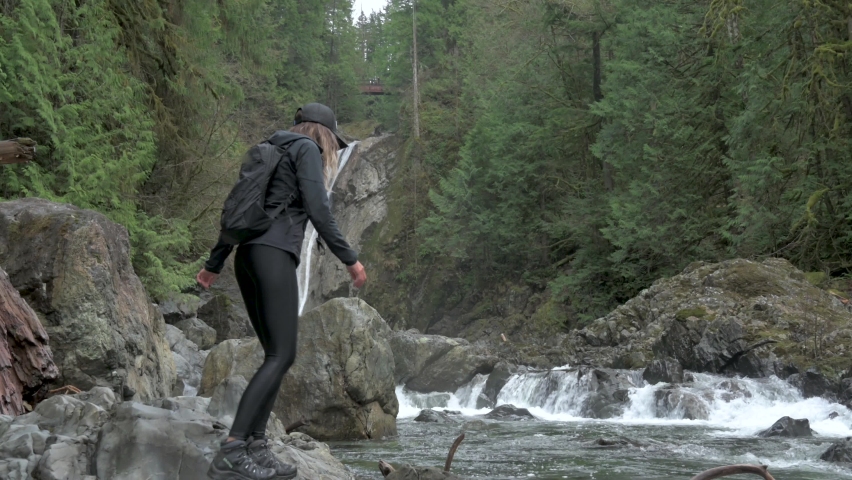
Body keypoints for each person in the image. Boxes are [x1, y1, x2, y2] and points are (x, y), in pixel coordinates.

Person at [197, 103, 367, 480]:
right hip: (274, 255)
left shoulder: (270, 151)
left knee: (276, 355)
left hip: (248, 258)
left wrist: (214, 263)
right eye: (333, 144)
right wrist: (350, 259)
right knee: (281, 355)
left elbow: (235, 210)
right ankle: (232, 450)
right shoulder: (306, 150)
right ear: (324, 135)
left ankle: (257, 447)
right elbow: (319, 210)